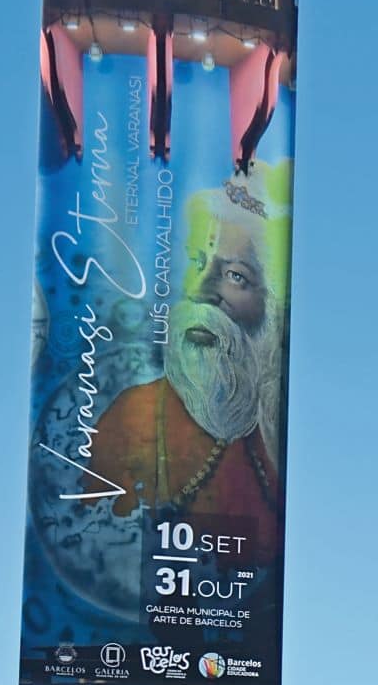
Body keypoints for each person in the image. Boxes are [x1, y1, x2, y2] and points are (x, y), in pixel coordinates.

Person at [90, 170, 290, 558]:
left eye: (236, 276)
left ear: (275, 308)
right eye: (198, 262)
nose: (202, 293)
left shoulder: (279, 437)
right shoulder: (131, 418)